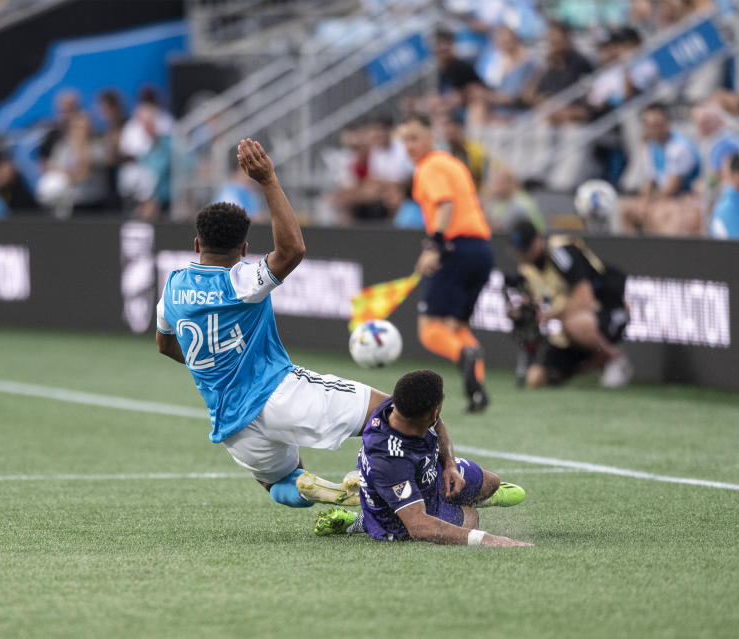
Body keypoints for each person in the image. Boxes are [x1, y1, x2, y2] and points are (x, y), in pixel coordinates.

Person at [156, 138, 392, 508]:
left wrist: (214, 367)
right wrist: (267, 180)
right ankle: (431, 484)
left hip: (232, 423)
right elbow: (292, 251)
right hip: (277, 393)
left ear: (196, 244)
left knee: (283, 480)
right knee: (391, 412)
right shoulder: (241, 281)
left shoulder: (172, 287)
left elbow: (165, 345)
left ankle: (317, 490)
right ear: (245, 249)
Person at [313, 369, 531, 547]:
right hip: (398, 518)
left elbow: (439, 424)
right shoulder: (389, 460)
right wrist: (489, 539)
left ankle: (462, 495)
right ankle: (364, 522)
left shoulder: (398, 407)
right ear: (431, 412)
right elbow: (419, 526)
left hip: (428, 474)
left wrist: (449, 465)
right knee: (471, 518)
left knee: (491, 481)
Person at [398, 114, 493, 413]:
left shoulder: (429, 167)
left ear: (430, 136)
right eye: (404, 140)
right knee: (457, 325)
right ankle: (477, 391)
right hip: (481, 249)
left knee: (430, 329)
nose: (409, 146)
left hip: (455, 247)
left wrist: (435, 246)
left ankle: (464, 354)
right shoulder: (452, 163)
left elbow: (446, 203)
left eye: (414, 138)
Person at [505, 219, 632, 389]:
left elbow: (585, 298)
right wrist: (522, 311)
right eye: (519, 251)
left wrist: (550, 316)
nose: (522, 255)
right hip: (569, 329)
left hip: (606, 312)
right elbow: (530, 301)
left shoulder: (560, 251)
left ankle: (615, 359)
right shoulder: (527, 269)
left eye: (526, 249)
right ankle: (594, 364)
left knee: (574, 323)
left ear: (537, 240)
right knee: (535, 378)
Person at [621, 103, 702, 235]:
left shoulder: (680, 148)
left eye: (658, 125)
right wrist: (643, 201)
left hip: (684, 198)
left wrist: (648, 205)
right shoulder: (650, 145)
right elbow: (650, 180)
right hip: (663, 197)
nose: (653, 129)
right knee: (625, 209)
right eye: (649, 125)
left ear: (667, 123)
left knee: (658, 214)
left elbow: (670, 189)